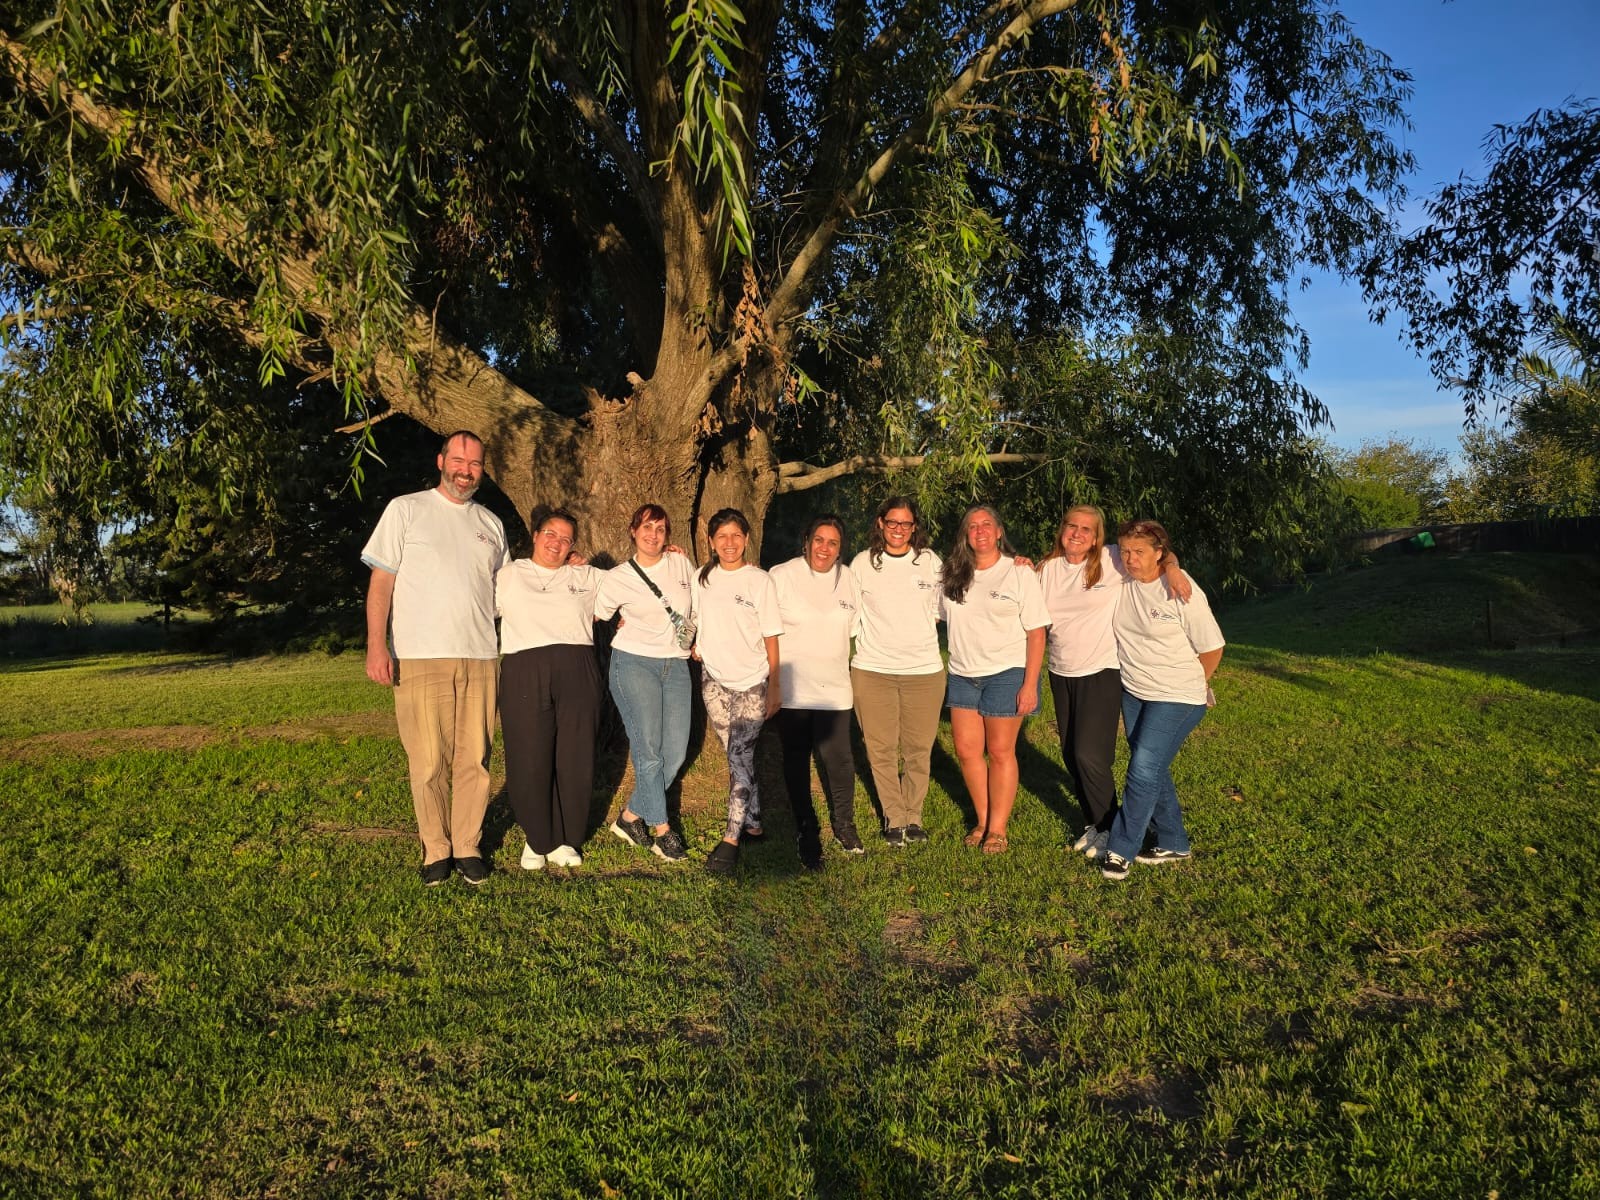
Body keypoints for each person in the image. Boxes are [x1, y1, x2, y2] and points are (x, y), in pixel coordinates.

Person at [362, 430, 509, 887]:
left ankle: (467, 845)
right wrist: (376, 644)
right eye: (459, 461)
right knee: (428, 762)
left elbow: (508, 592)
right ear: (441, 461)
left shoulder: (491, 524)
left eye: (475, 464)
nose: (466, 471)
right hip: (420, 656)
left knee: (474, 759)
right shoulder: (406, 510)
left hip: (480, 656)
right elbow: (381, 583)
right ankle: (435, 848)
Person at [1038, 505, 1189, 858]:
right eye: (1072, 526)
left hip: (1101, 670)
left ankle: (1110, 827)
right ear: (1062, 530)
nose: (1077, 533)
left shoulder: (1112, 560)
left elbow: (1157, 553)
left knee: (1089, 754)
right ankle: (1095, 822)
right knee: (1071, 754)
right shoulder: (1046, 569)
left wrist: (1173, 568)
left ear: (1097, 537)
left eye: (1086, 529)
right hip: (1061, 670)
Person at [1099, 519, 1225, 882]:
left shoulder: (1180, 588)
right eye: (1125, 551)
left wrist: (1197, 684)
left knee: (1142, 769)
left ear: (1159, 553)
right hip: (1135, 692)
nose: (1130, 558)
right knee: (1152, 768)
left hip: (1177, 696)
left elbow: (1212, 647)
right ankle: (1173, 841)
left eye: (1139, 552)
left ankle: (1121, 849)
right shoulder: (1122, 580)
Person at [496, 508, 604, 871]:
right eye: (550, 534)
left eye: (565, 539)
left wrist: (668, 557)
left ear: (573, 546)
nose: (556, 543)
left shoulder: (586, 575)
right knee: (529, 755)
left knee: (575, 756)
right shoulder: (509, 575)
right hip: (524, 671)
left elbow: (635, 583)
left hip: (578, 671)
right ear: (535, 535)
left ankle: (567, 837)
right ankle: (537, 837)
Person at [940, 504, 1049, 854]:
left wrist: (1030, 684)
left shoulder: (1018, 573)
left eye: (987, 524)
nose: (980, 531)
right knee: (967, 751)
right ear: (965, 535)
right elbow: (933, 614)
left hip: (1007, 673)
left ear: (999, 532)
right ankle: (983, 820)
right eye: (972, 526)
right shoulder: (953, 573)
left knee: (1000, 751)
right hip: (962, 674)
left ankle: (998, 829)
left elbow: (1036, 632)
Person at [594, 504, 693, 863]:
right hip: (633, 664)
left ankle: (629, 816)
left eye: (660, 528)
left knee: (675, 753)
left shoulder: (681, 563)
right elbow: (597, 614)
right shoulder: (617, 577)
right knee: (648, 750)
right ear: (633, 531)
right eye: (647, 527)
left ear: (668, 535)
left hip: (676, 665)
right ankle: (662, 832)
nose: (653, 535)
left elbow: (694, 606)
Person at [848, 496, 944, 847]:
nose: (899, 529)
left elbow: (944, 607)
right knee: (881, 749)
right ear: (881, 523)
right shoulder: (862, 563)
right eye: (892, 522)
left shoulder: (931, 562)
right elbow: (849, 614)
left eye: (906, 523)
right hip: (873, 670)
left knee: (919, 749)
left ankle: (914, 815)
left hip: (924, 671)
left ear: (914, 526)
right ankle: (895, 816)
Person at [770, 515, 864, 870]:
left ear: (841, 549)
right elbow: (763, 626)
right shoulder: (782, 576)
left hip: (835, 689)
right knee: (796, 760)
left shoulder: (849, 579)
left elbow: (853, 628)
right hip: (793, 689)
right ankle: (806, 828)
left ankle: (844, 824)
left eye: (833, 543)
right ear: (806, 541)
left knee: (839, 760)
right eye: (819, 540)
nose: (824, 548)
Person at [692, 508, 782, 876]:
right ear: (711, 542)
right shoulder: (701, 577)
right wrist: (697, 644)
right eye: (721, 536)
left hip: (752, 682)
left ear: (746, 539)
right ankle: (754, 822)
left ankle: (730, 839)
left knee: (740, 755)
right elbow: (695, 618)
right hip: (714, 680)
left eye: (736, 535)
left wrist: (774, 685)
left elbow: (772, 635)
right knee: (736, 757)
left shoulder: (760, 581)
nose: (729, 543)